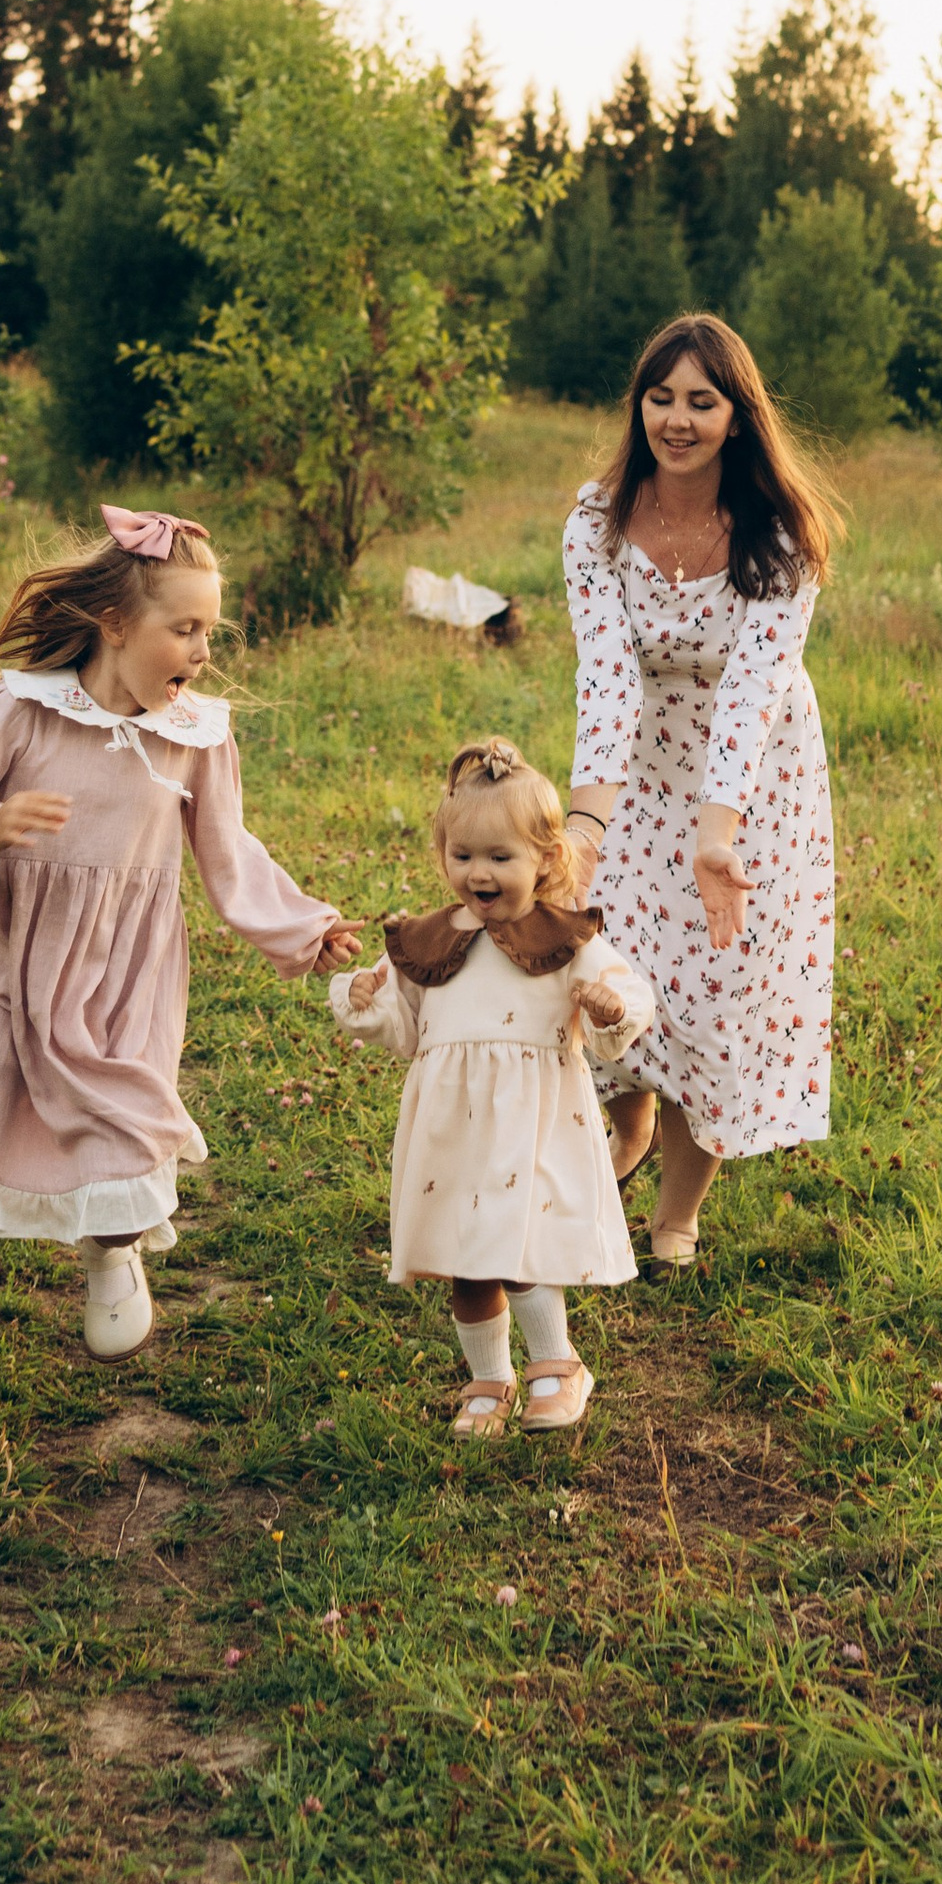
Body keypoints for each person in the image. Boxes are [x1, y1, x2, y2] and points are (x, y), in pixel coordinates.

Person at [0, 505, 362, 1429]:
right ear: (115, 624)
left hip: (118, 976)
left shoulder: (196, 735)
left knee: (119, 1135)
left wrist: (301, 926)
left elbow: (228, 849)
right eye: (186, 629)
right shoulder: (18, 711)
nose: (204, 651)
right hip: (1, 961)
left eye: (211, 631)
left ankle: (112, 1247)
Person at [561, 313, 839, 1265]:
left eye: (701, 402)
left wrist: (716, 832)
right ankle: (627, 1123)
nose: (676, 420)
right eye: (661, 397)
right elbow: (607, 682)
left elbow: (754, 693)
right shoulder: (595, 522)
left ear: (737, 418)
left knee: (717, 985)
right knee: (619, 961)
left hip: (753, 775)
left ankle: (676, 1212)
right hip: (636, 767)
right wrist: (584, 833)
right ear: (639, 404)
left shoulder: (780, 533)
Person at [330, 740, 656, 1436]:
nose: (478, 873)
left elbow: (629, 996)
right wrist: (365, 998)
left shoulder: (564, 938)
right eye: (463, 855)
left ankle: (558, 1365)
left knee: (518, 1247)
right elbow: (404, 1025)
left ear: (545, 859)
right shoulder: (428, 938)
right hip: (453, 1127)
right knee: (466, 1260)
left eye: (499, 858)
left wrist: (610, 1007)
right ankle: (489, 1379)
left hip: (530, 1121)